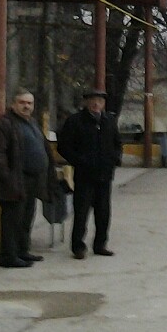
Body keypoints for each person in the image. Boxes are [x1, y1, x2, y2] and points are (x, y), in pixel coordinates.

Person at [0, 89, 56, 268]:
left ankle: (22, 251)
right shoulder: (4, 124)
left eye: (30, 103)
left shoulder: (32, 123)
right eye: (22, 102)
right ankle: (8, 256)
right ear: (13, 104)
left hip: (33, 179)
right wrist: (7, 177)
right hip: (15, 180)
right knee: (12, 220)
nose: (26, 106)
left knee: (27, 217)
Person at [57, 90, 123, 260]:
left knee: (103, 212)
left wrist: (114, 159)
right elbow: (63, 146)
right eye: (93, 100)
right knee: (81, 212)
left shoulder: (109, 121)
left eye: (99, 101)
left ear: (103, 103)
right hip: (85, 175)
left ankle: (100, 244)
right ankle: (78, 246)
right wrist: (79, 161)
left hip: (104, 175)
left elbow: (117, 143)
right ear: (86, 102)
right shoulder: (75, 121)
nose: (96, 104)